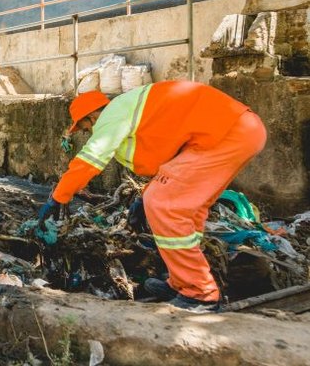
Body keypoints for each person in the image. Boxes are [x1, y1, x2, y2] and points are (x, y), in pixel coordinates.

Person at [37, 81, 266, 311]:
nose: (88, 133)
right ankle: (182, 281)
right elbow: (170, 166)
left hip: (227, 133)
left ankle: (200, 294)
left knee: (165, 205)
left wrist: (58, 197)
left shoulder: (112, 115)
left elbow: (91, 159)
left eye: (85, 128)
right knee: (185, 209)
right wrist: (143, 197)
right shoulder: (134, 110)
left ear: (93, 117)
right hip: (235, 131)